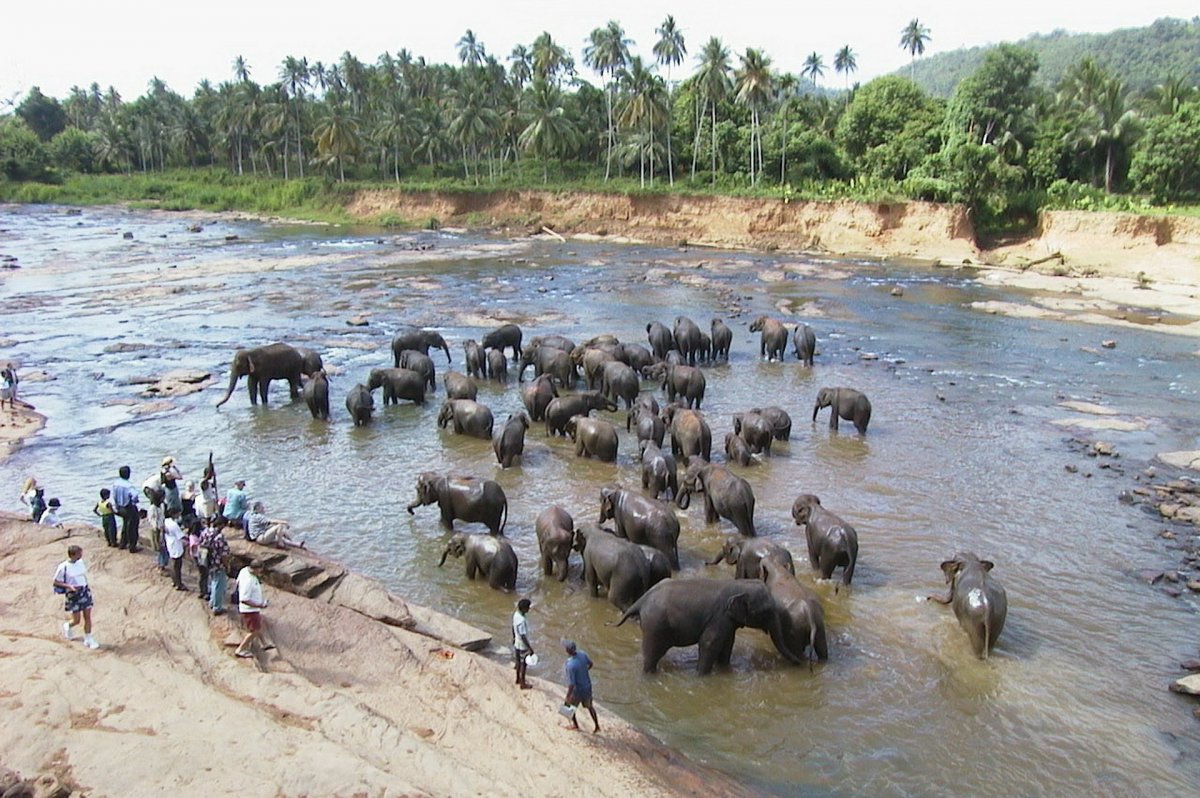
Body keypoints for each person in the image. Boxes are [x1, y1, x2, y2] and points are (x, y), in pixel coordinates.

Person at [53, 545, 99, 650]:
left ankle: (88, 638)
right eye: (79, 553)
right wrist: (69, 586)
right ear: (73, 555)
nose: (81, 555)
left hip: (84, 590)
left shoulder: (80, 562)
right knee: (77, 620)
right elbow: (56, 581)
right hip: (73, 593)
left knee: (87, 615)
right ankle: (68, 626)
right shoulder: (63, 567)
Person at [562, 639, 599, 733]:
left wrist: (567, 696)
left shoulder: (570, 665)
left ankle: (575, 725)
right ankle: (597, 726)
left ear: (567, 651)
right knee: (590, 706)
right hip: (587, 687)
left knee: (570, 706)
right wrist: (584, 670)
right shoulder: (583, 654)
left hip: (577, 690)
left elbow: (572, 684)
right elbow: (591, 664)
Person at [233, 562, 269, 659]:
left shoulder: (244, 570)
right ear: (256, 569)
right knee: (254, 631)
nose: (261, 571)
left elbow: (237, 582)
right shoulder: (249, 581)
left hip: (253, 609)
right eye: (260, 569)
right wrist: (260, 605)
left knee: (257, 625)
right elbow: (244, 599)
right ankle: (241, 649)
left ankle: (264, 644)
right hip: (249, 610)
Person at [199, 520, 231, 616]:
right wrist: (227, 566)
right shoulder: (220, 538)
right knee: (219, 586)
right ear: (220, 525)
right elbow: (224, 555)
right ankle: (217, 608)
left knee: (213, 582)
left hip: (207, 562)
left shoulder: (205, 532)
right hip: (218, 564)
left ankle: (212, 602)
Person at [111, 465, 140, 552]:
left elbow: (113, 496)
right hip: (128, 507)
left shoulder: (115, 483)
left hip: (120, 508)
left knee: (125, 524)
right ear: (128, 474)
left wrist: (115, 506)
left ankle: (122, 543)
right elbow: (135, 495)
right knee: (132, 528)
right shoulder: (128, 486)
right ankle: (132, 547)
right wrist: (134, 502)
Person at [512, 598, 534, 689]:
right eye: (528, 607)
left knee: (518, 662)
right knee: (524, 664)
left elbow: (513, 627)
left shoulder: (516, 615)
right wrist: (530, 648)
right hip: (522, 645)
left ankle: (517, 679)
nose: (529, 609)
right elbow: (523, 636)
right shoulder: (522, 620)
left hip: (517, 643)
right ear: (524, 608)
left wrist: (513, 637)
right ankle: (523, 683)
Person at [163, 508, 187, 591]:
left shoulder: (166, 521)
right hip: (176, 546)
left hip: (170, 544)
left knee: (172, 564)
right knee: (177, 566)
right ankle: (179, 584)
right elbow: (181, 536)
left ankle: (174, 581)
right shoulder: (174, 525)